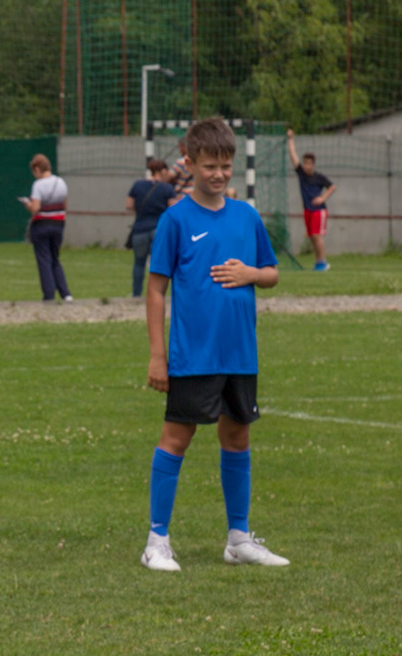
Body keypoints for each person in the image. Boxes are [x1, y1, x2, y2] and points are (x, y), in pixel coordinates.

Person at [142, 117, 287, 573]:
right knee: (177, 438)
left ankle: (239, 539)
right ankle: (156, 541)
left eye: (225, 166)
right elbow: (156, 290)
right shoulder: (175, 219)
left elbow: (272, 273)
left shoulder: (246, 216)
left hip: (240, 353)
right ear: (189, 163)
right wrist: (157, 355)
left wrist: (250, 274)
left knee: (237, 436)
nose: (219, 174)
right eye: (209, 166)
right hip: (193, 354)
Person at [18, 154, 71, 302]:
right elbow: (65, 204)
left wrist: (27, 204)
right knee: (55, 258)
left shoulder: (38, 185)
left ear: (37, 169)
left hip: (42, 225)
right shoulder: (61, 182)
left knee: (44, 260)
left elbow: (36, 208)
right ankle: (66, 293)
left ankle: (49, 295)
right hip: (58, 224)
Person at [287, 129, 336, 271]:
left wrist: (322, 198)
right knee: (312, 237)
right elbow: (293, 156)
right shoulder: (301, 174)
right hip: (307, 209)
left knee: (316, 235)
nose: (307, 166)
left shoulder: (319, 177)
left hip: (318, 210)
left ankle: (323, 262)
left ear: (313, 164)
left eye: (309, 163)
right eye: (305, 163)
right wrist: (291, 140)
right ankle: (318, 261)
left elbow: (332, 187)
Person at [128, 158, 174, 298]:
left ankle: (136, 293)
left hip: (139, 229)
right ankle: (160, 293)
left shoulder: (138, 185)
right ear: (163, 171)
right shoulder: (167, 188)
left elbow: (129, 205)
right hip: (159, 230)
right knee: (160, 263)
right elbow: (173, 208)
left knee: (139, 263)